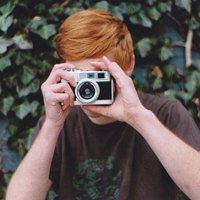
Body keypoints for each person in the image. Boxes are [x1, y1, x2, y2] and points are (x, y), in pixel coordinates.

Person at [6, 9, 200, 200]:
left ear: (128, 66)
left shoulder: (166, 114)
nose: (88, 88)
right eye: (78, 76)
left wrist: (138, 117)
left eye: (98, 75)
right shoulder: (58, 124)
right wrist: (51, 126)